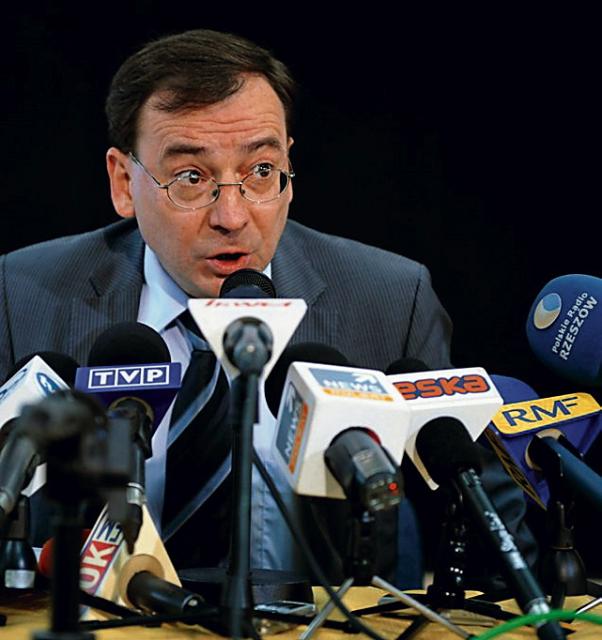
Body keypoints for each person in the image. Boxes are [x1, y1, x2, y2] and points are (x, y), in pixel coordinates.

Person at [0, 29, 534, 589]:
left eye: (260, 171)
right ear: (124, 183)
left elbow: (486, 540)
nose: (232, 216)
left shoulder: (390, 301)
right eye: (191, 178)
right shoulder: (22, 296)